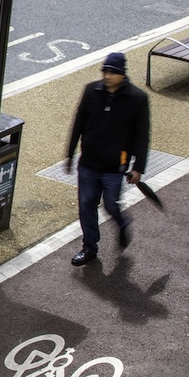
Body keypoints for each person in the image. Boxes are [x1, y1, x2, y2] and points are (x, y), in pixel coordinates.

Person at [64, 52, 151, 266]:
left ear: (123, 74)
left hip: (114, 167)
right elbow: (78, 123)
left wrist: (138, 167)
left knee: (111, 205)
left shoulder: (137, 99)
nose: (108, 76)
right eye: (105, 71)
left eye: (113, 72)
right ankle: (89, 247)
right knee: (86, 205)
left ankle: (122, 223)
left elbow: (142, 136)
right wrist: (70, 154)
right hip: (89, 163)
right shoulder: (91, 91)